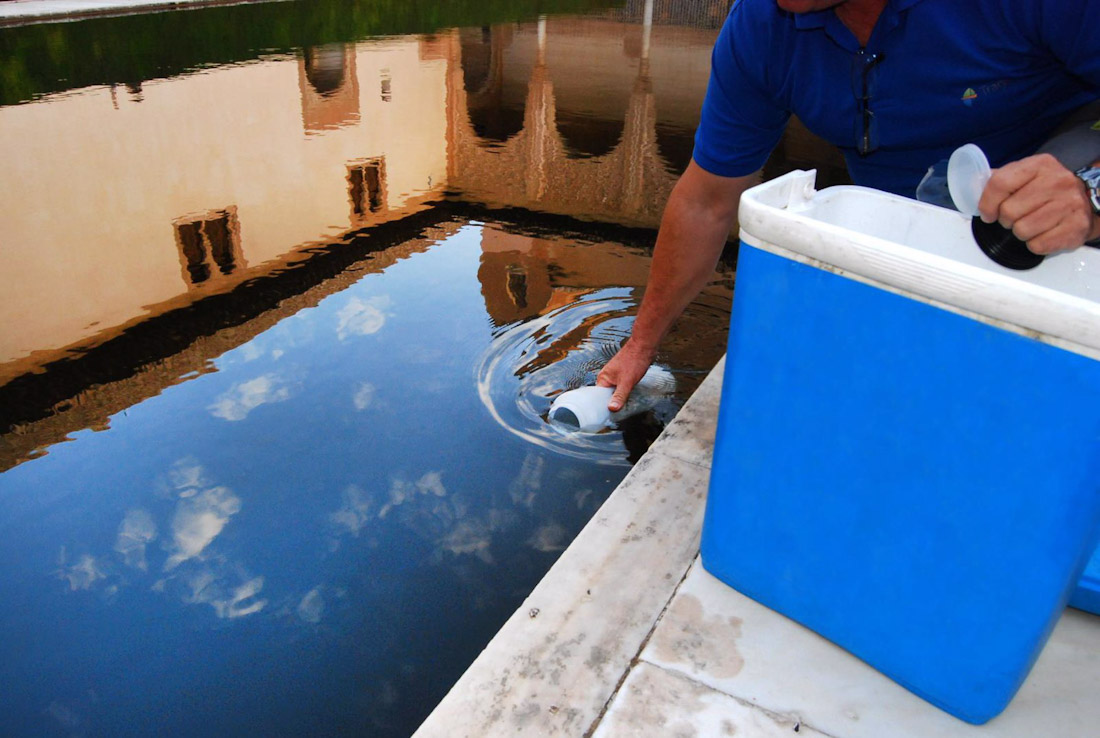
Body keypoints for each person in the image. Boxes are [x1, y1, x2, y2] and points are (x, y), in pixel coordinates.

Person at [598, 0, 1100, 411]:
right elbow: (705, 202)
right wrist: (641, 343)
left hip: (1060, 253)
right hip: (894, 258)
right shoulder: (762, 26)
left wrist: (1091, 191)